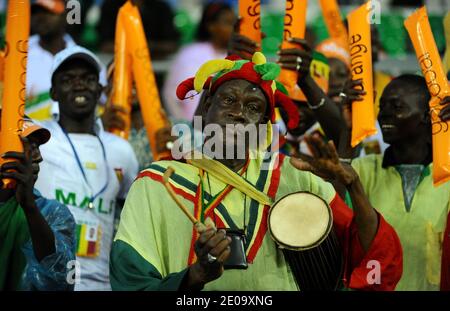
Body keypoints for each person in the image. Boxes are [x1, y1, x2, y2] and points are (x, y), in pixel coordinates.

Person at [110, 52, 402, 291]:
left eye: (253, 107)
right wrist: (195, 276)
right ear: (206, 106)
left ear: (263, 125)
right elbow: (130, 282)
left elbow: (373, 257)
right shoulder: (159, 183)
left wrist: (353, 186)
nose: (238, 112)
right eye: (228, 100)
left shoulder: (297, 176)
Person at [34, 45, 139, 291]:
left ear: (100, 90)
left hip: (102, 284)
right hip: (46, 281)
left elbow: (131, 208)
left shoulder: (121, 150)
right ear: (53, 92)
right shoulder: (37, 139)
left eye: (89, 79)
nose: (79, 85)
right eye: (68, 80)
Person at [344, 74, 450, 290]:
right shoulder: (362, 170)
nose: (384, 114)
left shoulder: (446, 173)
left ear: (427, 116)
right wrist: (347, 130)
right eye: (382, 106)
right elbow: (335, 222)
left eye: (397, 106)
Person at [0, 113, 76, 290]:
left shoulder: (56, 214)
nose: (38, 157)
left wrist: (30, 208)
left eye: (38, 146)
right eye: (27, 146)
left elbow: (69, 279)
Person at [162, 2, 236, 121]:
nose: (234, 29)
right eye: (228, 23)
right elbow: (172, 95)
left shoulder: (238, 57)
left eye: (235, 23)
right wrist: (186, 125)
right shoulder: (191, 54)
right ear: (211, 26)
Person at [26, 0, 76, 121]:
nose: (40, 18)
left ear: (65, 15)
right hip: (26, 134)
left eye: (48, 12)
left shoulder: (81, 56)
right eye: (36, 13)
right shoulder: (18, 54)